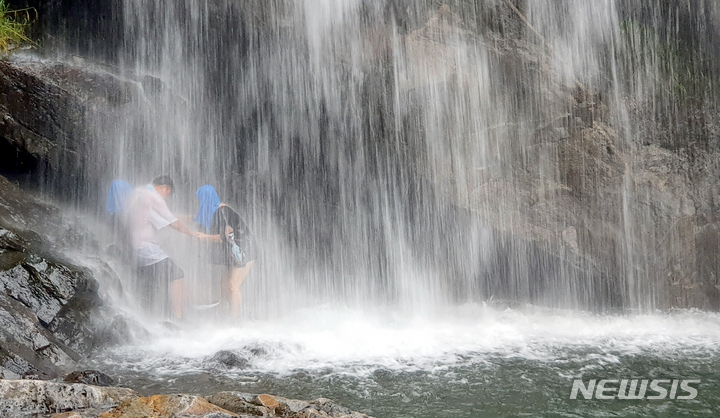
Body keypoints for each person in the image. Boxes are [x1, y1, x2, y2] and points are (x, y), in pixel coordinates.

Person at [125, 176, 209, 319]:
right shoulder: (154, 198)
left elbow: (153, 217)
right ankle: (178, 317)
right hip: (147, 249)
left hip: (134, 247)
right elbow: (173, 223)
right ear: (164, 187)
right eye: (168, 193)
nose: (167, 196)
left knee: (156, 280)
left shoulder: (138, 193)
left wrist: (189, 218)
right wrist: (193, 234)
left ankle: (156, 314)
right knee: (177, 273)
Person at [195, 185, 255, 318]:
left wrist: (205, 237)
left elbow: (226, 237)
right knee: (224, 285)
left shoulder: (223, 212)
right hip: (233, 252)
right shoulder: (215, 211)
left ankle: (235, 322)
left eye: (201, 199)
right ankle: (224, 314)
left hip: (245, 250)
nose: (200, 203)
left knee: (233, 285)